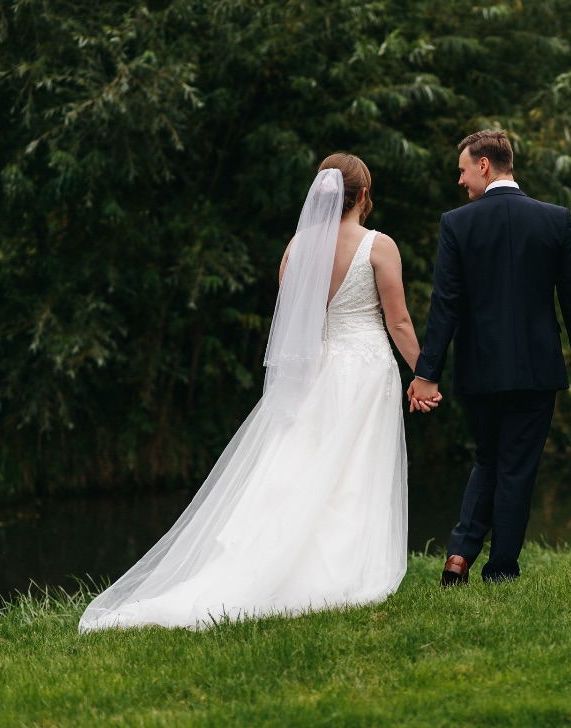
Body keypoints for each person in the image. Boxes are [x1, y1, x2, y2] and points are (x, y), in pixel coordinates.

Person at [79, 154, 440, 632]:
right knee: (354, 472)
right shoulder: (379, 245)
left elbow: (294, 320)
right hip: (366, 372)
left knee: (302, 465)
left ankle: (278, 559)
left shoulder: (298, 247)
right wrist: (425, 375)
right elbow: (397, 320)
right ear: (364, 195)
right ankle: (345, 568)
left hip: (315, 374)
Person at [409, 130, 571, 586]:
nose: (460, 181)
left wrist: (427, 374)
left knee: (488, 459)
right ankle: (500, 570)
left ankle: (459, 555)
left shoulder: (457, 224)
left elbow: (445, 305)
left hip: (480, 369)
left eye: (462, 170)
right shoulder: (555, 220)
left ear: (484, 165)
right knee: (516, 468)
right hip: (537, 370)